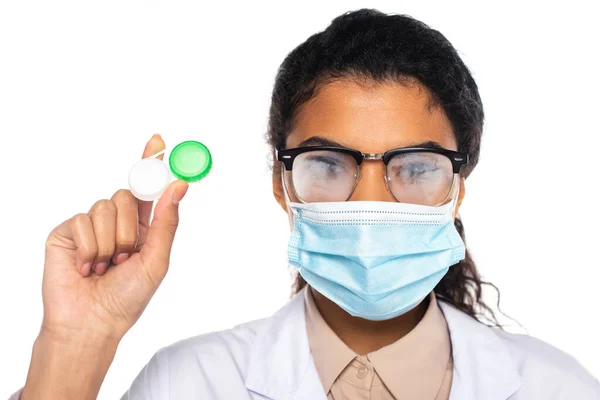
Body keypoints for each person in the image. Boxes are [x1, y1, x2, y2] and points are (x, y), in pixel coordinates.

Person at [9, 8, 599, 400]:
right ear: (281, 186)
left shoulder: (559, 388)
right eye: (328, 164)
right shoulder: (188, 383)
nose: (370, 201)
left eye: (414, 167)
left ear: (456, 188)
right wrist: (76, 343)